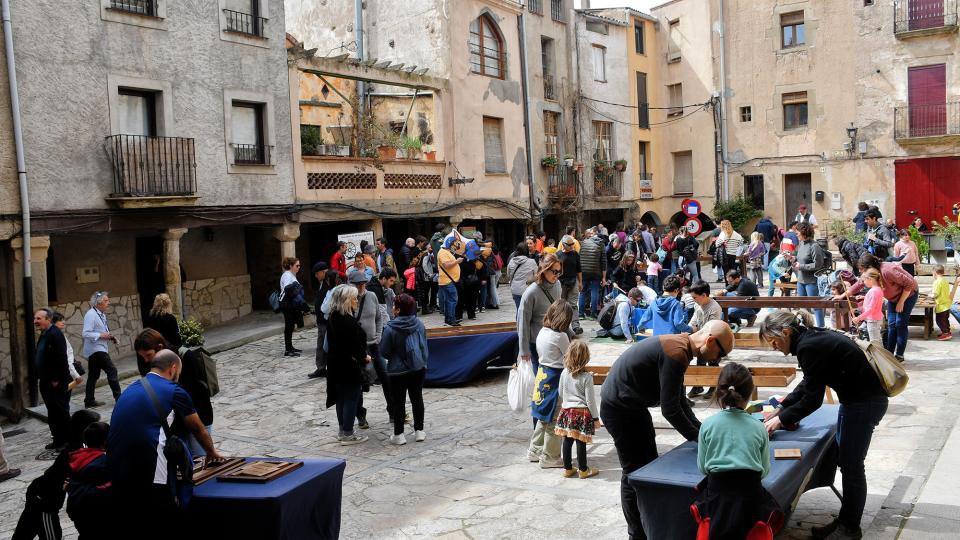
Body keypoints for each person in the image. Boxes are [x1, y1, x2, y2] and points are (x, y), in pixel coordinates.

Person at [600, 320, 735, 540]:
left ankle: (651, 525)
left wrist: (702, 435)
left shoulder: (681, 348)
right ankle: (637, 533)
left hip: (633, 406)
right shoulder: (676, 353)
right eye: (719, 354)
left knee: (649, 469)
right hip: (619, 408)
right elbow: (670, 410)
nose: (716, 360)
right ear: (710, 340)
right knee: (633, 473)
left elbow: (680, 401)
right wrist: (699, 440)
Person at [760, 310, 888, 540]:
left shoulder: (809, 346)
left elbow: (812, 399)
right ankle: (846, 518)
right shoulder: (811, 338)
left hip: (864, 404)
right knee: (846, 461)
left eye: (773, 341)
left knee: (852, 466)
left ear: (786, 332)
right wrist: (783, 406)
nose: (774, 347)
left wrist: (780, 420)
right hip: (856, 402)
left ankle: (850, 528)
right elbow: (810, 382)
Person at [107, 349, 223, 539]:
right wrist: (211, 451)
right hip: (151, 470)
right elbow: (198, 429)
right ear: (173, 368)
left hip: (117, 469)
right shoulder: (174, 390)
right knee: (163, 521)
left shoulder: (131, 388)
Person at [693, 363, 779, 539]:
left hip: (716, 500)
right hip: (751, 500)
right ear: (749, 395)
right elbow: (764, 470)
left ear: (719, 392)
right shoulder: (759, 427)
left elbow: (703, 467)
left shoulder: (707, 425)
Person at [12, 409, 101, 540]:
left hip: (37, 492)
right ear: (85, 429)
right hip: (44, 501)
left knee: (23, 534)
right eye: (94, 426)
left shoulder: (80, 445)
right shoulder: (76, 452)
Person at [836, 254, 918, 362]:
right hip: (893, 298)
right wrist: (841, 296)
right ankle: (889, 354)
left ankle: (899, 355)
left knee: (900, 324)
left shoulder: (888, 270)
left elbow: (910, 283)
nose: (861, 273)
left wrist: (901, 302)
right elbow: (858, 285)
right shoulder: (870, 274)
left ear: (870, 267)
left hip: (908, 295)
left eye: (862, 269)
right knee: (892, 325)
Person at [528, 299, 573, 468]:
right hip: (555, 378)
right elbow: (570, 357)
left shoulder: (542, 331)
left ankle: (535, 449)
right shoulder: (560, 336)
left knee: (543, 415)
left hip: (542, 374)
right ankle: (550, 456)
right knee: (555, 418)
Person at [326, 285, 371, 445]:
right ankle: (347, 433)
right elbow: (355, 346)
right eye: (353, 298)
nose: (356, 300)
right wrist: (364, 357)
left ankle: (342, 429)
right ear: (346, 301)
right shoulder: (348, 321)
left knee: (341, 398)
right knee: (351, 398)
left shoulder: (333, 317)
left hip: (335, 364)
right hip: (348, 365)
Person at [381, 294, 428, 445]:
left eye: (395, 306)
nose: (393, 308)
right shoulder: (419, 324)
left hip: (397, 371)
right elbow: (424, 345)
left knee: (398, 402)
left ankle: (399, 435)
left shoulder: (390, 328)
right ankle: (419, 431)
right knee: (417, 398)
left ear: (398, 310)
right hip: (417, 368)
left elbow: (384, 352)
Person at [554, 340, 600, 479]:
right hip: (582, 412)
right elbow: (590, 400)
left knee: (567, 440)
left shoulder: (564, 373)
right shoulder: (587, 377)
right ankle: (583, 470)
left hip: (566, 411)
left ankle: (568, 469)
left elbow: (561, 393)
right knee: (581, 441)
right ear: (585, 357)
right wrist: (596, 418)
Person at [347, 271, 385, 426]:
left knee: (384, 375)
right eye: (358, 284)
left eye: (363, 283)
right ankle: (360, 415)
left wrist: (378, 336)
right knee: (359, 381)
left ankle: (394, 410)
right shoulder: (348, 300)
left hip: (373, 344)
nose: (361, 286)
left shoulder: (372, 296)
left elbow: (379, 317)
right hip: (357, 347)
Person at [517, 253, 564, 374]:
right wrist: (524, 350)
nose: (557, 275)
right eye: (554, 272)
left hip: (553, 339)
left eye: (559, 272)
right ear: (544, 270)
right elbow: (522, 322)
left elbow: (559, 312)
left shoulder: (558, 285)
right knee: (539, 378)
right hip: (536, 342)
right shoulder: (530, 293)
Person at [65, 422, 111, 540]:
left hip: (77, 513)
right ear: (105, 442)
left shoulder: (79, 457)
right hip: (93, 516)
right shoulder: (103, 463)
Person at [35, 308, 72, 449]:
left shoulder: (55, 334)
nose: (35, 321)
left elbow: (61, 358)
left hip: (56, 382)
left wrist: (56, 379)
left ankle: (69, 440)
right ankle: (58, 439)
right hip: (45, 381)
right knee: (52, 411)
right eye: (35, 318)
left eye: (39, 318)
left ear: (48, 319)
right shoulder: (44, 334)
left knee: (61, 412)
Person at [81, 291, 121, 408]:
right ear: (98, 303)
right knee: (112, 370)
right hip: (96, 349)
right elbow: (85, 333)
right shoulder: (91, 314)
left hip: (98, 349)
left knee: (93, 376)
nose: (108, 303)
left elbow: (103, 331)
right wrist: (100, 336)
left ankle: (89, 401)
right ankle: (118, 398)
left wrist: (111, 337)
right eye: (106, 301)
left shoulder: (101, 314)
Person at [687, 280, 724, 399]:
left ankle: (714, 386)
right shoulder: (697, 304)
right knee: (700, 362)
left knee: (712, 363)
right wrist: (687, 330)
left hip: (713, 341)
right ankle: (698, 385)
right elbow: (694, 320)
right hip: (700, 338)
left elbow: (710, 328)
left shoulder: (715, 308)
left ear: (704, 295)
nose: (693, 300)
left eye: (695, 297)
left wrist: (696, 334)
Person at [790, 223, 826, 327]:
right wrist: (792, 258)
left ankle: (821, 329)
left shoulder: (814, 246)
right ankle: (806, 327)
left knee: (816, 306)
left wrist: (801, 266)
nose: (796, 234)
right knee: (802, 306)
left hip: (811, 281)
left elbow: (818, 264)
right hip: (800, 280)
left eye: (798, 232)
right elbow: (799, 258)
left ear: (804, 232)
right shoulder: (801, 244)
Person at [279, 257, 308, 357]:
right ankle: (288, 350)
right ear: (291, 266)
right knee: (289, 326)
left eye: (299, 265)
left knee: (290, 326)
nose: (299, 267)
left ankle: (290, 347)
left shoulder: (291, 275)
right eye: (297, 265)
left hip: (290, 304)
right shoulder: (287, 275)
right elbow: (289, 290)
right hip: (287, 304)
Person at [310, 261, 334, 378]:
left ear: (323, 272)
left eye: (317, 273)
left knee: (325, 344)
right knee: (321, 344)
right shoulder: (321, 284)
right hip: (321, 320)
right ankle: (321, 367)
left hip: (326, 321)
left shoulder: (328, 285)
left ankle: (325, 367)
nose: (316, 276)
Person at [51, 312, 83, 391]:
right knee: (63, 397)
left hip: (61, 374)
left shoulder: (56, 335)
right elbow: (66, 357)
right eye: (60, 320)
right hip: (62, 374)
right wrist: (75, 375)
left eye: (63, 320)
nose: (63, 322)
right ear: (53, 322)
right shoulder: (57, 337)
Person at [851, 268, 885, 343]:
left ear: (870, 279)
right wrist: (864, 297)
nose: (864, 283)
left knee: (875, 342)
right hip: (874, 318)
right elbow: (876, 301)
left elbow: (871, 309)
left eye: (864, 281)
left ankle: (878, 354)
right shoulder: (877, 289)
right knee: (876, 340)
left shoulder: (873, 291)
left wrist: (859, 318)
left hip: (873, 320)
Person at [579, 230, 607, 320]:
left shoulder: (584, 242)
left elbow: (580, 256)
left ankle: (581, 314)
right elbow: (603, 261)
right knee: (594, 292)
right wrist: (604, 277)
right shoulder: (601, 244)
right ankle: (593, 314)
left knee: (582, 292)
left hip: (583, 271)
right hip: (596, 272)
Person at [437, 234, 464, 327]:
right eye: (453, 243)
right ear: (449, 243)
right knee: (452, 300)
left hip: (448, 280)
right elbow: (446, 265)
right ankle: (451, 320)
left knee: (449, 300)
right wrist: (457, 261)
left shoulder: (446, 251)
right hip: (447, 280)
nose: (454, 245)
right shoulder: (443, 252)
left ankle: (449, 319)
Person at [558, 235, 583, 334]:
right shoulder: (558, 255)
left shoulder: (575, 254)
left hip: (573, 281)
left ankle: (576, 326)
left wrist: (580, 282)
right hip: (561, 283)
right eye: (570, 244)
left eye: (573, 243)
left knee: (573, 304)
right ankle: (562, 325)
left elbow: (579, 269)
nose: (572, 245)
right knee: (562, 305)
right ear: (564, 245)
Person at [931, 264, 952, 341]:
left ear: (935, 273)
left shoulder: (937, 282)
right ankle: (947, 332)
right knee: (945, 319)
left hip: (941, 305)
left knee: (939, 320)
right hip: (947, 303)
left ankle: (945, 333)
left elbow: (935, 294)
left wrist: (931, 296)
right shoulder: (945, 280)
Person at [418, 244, 439, 314]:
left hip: (426, 276)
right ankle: (425, 309)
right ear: (426, 247)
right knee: (425, 292)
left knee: (426, 292)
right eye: (429, 246)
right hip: (426, 277)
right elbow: (424, 265)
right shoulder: (426, 254)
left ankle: (426, 308)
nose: (431, 247)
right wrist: (429, 274)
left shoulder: (425, 253)